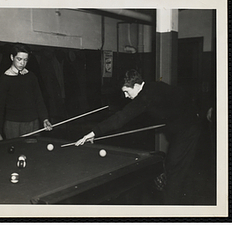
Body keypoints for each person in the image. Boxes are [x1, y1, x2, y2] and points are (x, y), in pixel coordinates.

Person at [75, 69, 202, 204]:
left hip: (188, 129)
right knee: (174, 168)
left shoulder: (146, 96)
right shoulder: (152, 87)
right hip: (181, 128)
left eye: (127, 91)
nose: (125, 96)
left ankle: (171, 209)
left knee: (174, 172)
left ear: (136, 86)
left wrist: (93, 132)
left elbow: (121, 117)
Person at [0, 43, 52, 141]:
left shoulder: (31, 76)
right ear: (12, 57)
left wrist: (45, 119)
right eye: (19, 59)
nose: (22, 63)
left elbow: (39, 100)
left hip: (32, 123)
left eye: (25, 60)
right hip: (13, 125)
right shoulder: (4, 79)